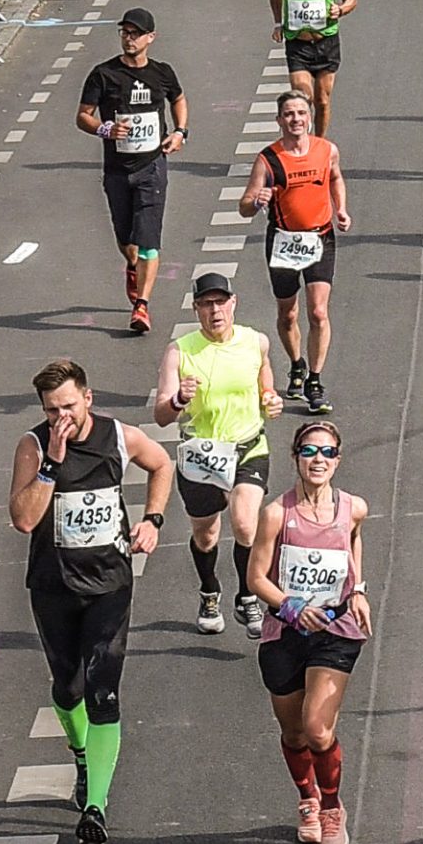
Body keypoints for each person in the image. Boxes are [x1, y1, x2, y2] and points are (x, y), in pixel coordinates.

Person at [10, 359, 173, 844]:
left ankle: (95, 808)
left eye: (69, 406)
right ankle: (81, 754)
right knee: (68, 685)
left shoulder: (119, 436)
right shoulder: (34, 446)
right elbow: (22, 518)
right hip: (54, 586)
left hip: (108, 584)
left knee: (103, 691)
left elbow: (161, 463)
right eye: (52, 409)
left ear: (88, 398)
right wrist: (52, 463)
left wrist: (153, 520)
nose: (63, 416)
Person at [248, 419, 370, 844]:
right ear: (296, 457)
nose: (318, 460)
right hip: (285, 631)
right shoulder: (277, 513)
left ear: (338, 459)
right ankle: (308, 798)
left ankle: (333, 808)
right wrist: (293, 607)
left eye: (327, 453)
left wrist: (357, 590)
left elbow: (353, 544)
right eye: (310, 452)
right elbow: (256, 577)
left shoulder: (353, 507)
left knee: (319, 729)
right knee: (294, 732)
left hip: (336, 631)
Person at [153, 271, 280, 633]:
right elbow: (161, 415)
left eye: (220, 302)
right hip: (202, 454)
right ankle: (210, 591)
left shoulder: (256, 342)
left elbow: (265, 382)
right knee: (206, 534)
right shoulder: (180, 351)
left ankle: (247, 596)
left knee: (244, 523)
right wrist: (179, 398)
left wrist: (270, 399)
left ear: (233, 303)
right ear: (196, 309)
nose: (215, 311)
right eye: (206, 304)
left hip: (248, 446)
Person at [76, 6, 188, 335]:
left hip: (151, 166)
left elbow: (178, 98)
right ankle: (132, 265)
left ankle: (142, 305)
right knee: (128, 240)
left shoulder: (162, 73)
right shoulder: (103, 74)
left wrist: (180, 131)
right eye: (124, 32)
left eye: (135, 33)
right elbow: (83, 115)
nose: (129, 38)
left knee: (150, 237)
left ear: (150, 38)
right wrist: (104, 130)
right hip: (117, 169)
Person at [239, 92, 349, 413]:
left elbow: (336, 178)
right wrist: (255, 200)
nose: (296, 119)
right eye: (289, 114)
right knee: (288, 314)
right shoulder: (268, 160)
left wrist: (340, 208)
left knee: (317, 312)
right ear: (279, 120)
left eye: (301, 113)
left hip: (320, 239)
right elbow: (244, 206)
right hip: (284, 242)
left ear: (310, 117)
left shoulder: (326, 150)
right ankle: (296, 363)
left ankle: (315, 380)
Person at [270, 0, 354, 137]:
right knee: (302, 97)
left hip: (326, 43)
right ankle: (303, 143)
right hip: (298, 43)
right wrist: (278, 22)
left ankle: (319, 143)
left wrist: (340, 9)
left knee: (322, 101)